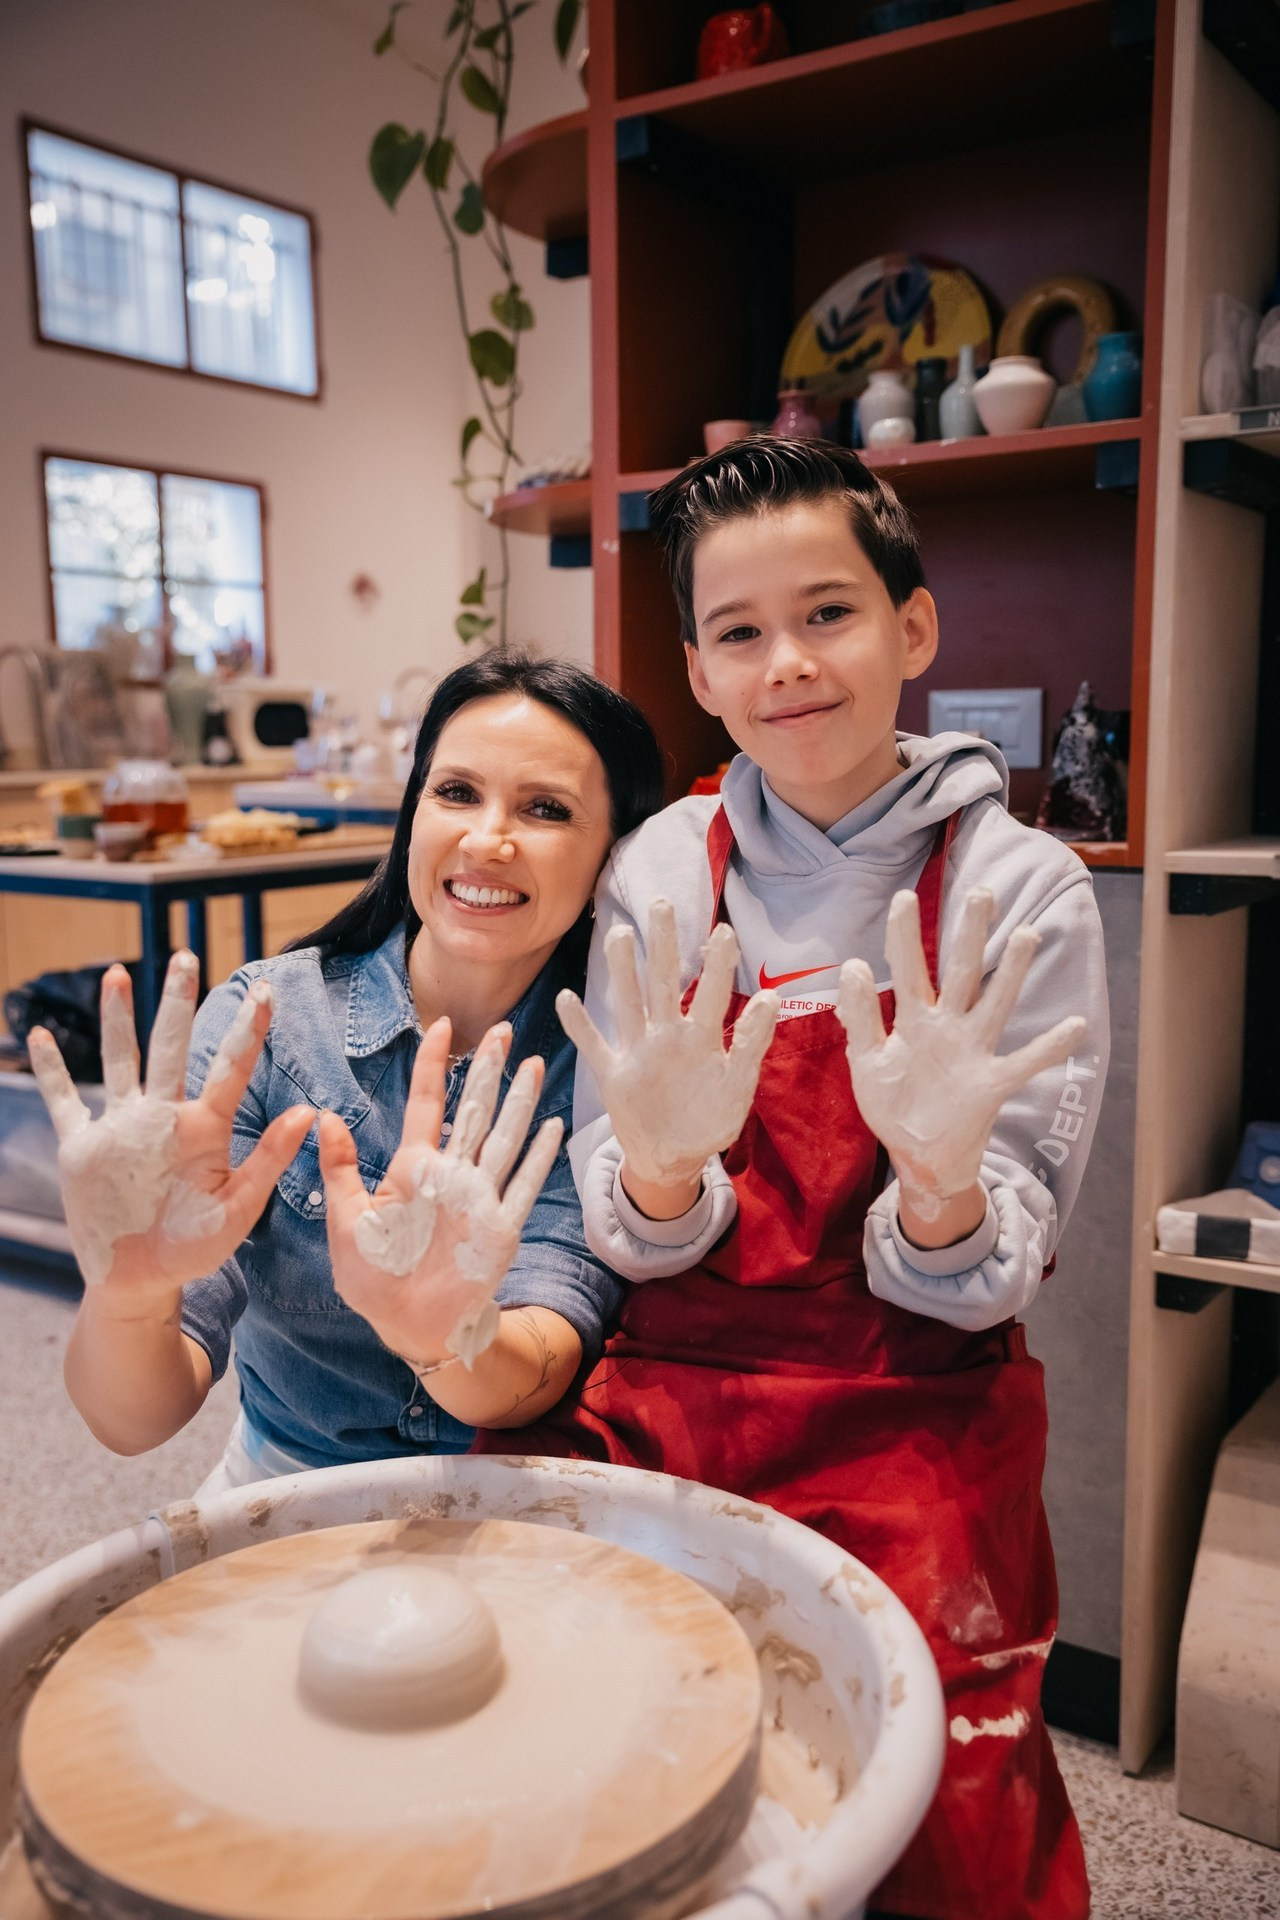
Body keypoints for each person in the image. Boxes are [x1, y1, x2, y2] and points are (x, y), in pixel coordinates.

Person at [480, 441, 1109, 1920]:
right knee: (619, 1773)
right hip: (672, 1394)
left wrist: (941, 1181)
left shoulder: (1021, 887)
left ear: (914, 627)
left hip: (917, 1406)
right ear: (698, 673)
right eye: (740, 632)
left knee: (934, 1809)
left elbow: (993, 1263)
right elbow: (628, 1231)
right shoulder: (660, 869)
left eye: (828, 613)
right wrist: (660, 1163)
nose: (789, 665)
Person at [29, 650, 664, 1491]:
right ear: (414, 812)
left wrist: (441, 1334)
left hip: (515, 1487)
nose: (486, 840)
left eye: (545, 808)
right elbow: (131, 1423)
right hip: (285, 1477)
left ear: (611, 858)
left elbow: (537, 1366)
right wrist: (131, 1294)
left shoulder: (615, 1060)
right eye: (456, 792)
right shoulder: (269, 1023)